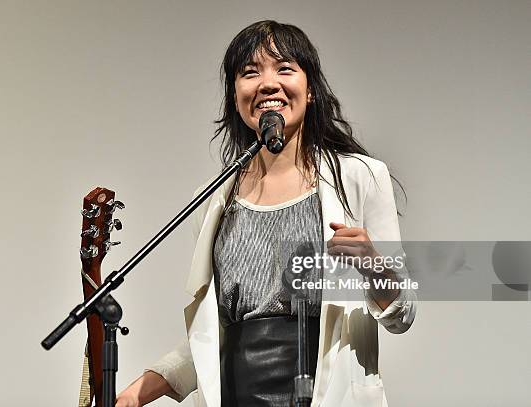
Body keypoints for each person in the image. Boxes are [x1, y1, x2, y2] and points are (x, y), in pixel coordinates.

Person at [116, 20, 417, 407]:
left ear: (311, 91)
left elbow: (401, 316)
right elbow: (212, 336)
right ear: (235, 95)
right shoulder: (213, 200)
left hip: (324, 393)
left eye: (285, 68)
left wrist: (375, 266)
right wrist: (136, 393)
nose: (267, 83)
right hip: (237, 394)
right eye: (250, 72)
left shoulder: (360, 177)